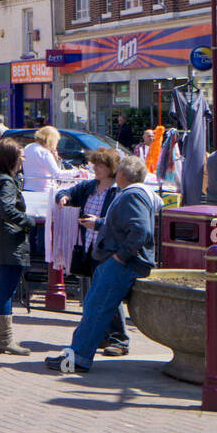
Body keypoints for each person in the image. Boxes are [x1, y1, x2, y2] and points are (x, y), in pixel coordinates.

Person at [45, 156, 156, 374]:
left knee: (96, 307)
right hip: (118, 261)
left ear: (122, 174)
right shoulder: (134, 193)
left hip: (122, 263)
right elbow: (131, 228)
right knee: (95, 307)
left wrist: (120, 257)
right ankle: (77, 356)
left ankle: (77, 359)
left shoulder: (133, 195)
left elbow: (141, 231)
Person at [56, 147, 127, 355]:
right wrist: (63, 197)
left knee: (108, 295)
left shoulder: (118, 191)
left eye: (100, 165)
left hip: (108, 250)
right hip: (89, 249)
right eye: (94, 164)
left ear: (110, 168)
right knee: (93, 296)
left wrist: (98, 224)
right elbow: (68, 192)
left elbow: (120, 221)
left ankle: (119, 339)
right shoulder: (89, 187)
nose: (95, 168)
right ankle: (101, 336)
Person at [0, 136, 37, 355]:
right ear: (11, 158)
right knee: (6, 289)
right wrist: (29, 222)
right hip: (9, 240)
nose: (23, 160)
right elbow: (7, 209)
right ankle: (4, 340)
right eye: (20, 156)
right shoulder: (5, 182)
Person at [21, 126, 64, 195]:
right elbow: (56, 173)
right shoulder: (44, 153)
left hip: (28, 188)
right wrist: (76, 173)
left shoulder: (28, 147)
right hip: (44, 191)